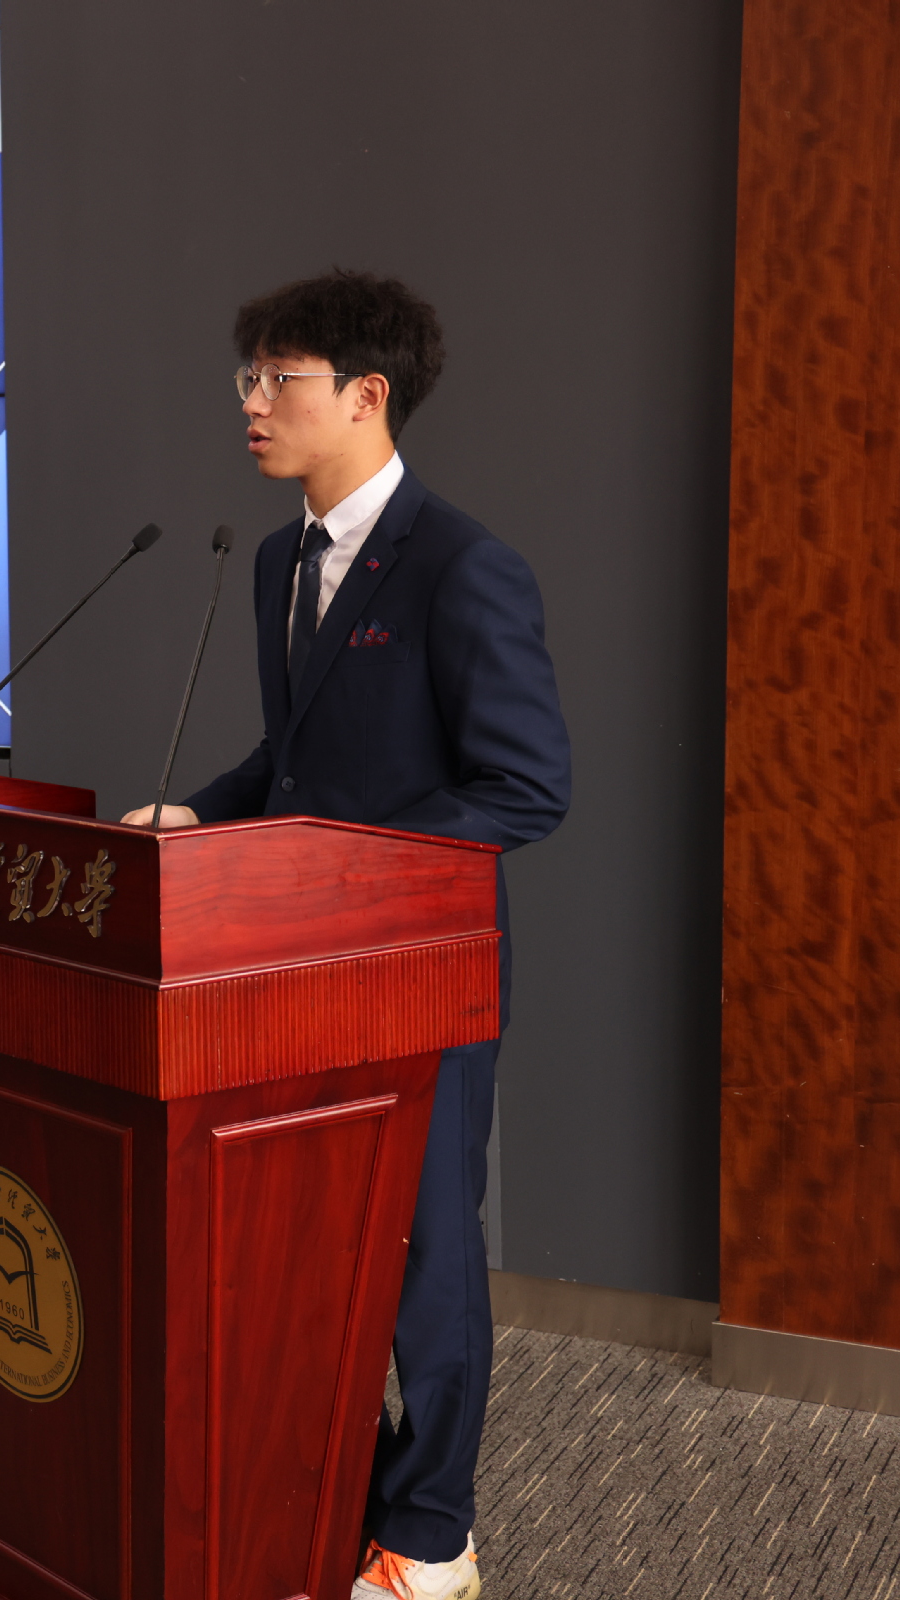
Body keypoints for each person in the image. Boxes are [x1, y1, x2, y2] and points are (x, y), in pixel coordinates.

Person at [122, 270, 571, 1600]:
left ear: (366, 395)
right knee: (305, 1245)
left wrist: (339, 864)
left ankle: (433, 1539)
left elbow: (525, 788)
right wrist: (203, 811)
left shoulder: (464, 567)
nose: (253, 404)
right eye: (247, 378)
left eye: (281, 379)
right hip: (287, 966)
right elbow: (297, 760)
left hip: (420, 971)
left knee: (427, 1253)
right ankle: (335, 1493)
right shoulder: (279, 560)